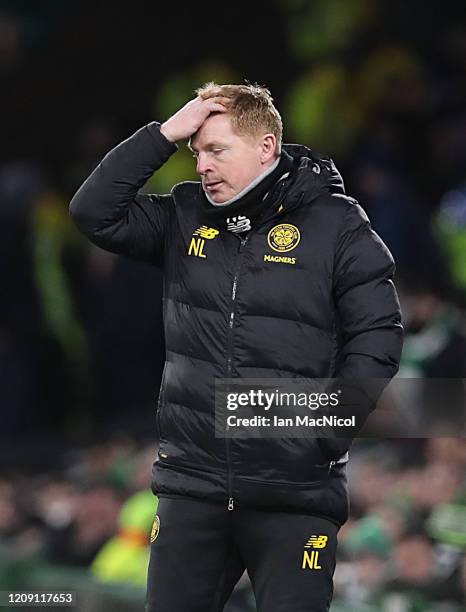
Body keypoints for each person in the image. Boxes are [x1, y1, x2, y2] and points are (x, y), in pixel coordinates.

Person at [70, 83, 403, 612]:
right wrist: (163, 135)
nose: (202, 165)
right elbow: (94, 212)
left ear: (266, 147)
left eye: (217, 150)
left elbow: (379, 333)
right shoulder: (183, 214)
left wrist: (327, 430)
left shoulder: (336, 224)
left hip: (293, 492)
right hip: (192, 486)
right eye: (196, 152)